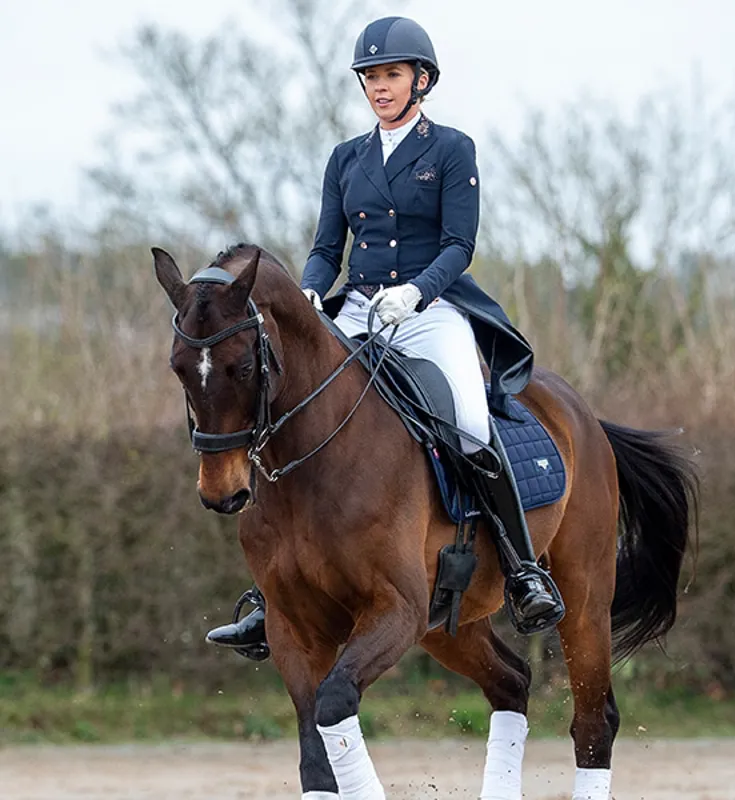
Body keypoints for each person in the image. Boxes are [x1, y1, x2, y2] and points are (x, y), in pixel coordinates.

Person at [207, 16, 564, 661]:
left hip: (431, 309)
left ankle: (521, 569)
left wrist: (417, 293)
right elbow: (324, 248)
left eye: (391, 75)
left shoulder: (452, 150)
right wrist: (313, 294)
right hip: (355, 309)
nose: (379, 86)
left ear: (420, 80)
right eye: (371, 77)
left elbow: (460, 244)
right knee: (285, 414)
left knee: (468, 421)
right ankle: (272, 593)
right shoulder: (346, 158)